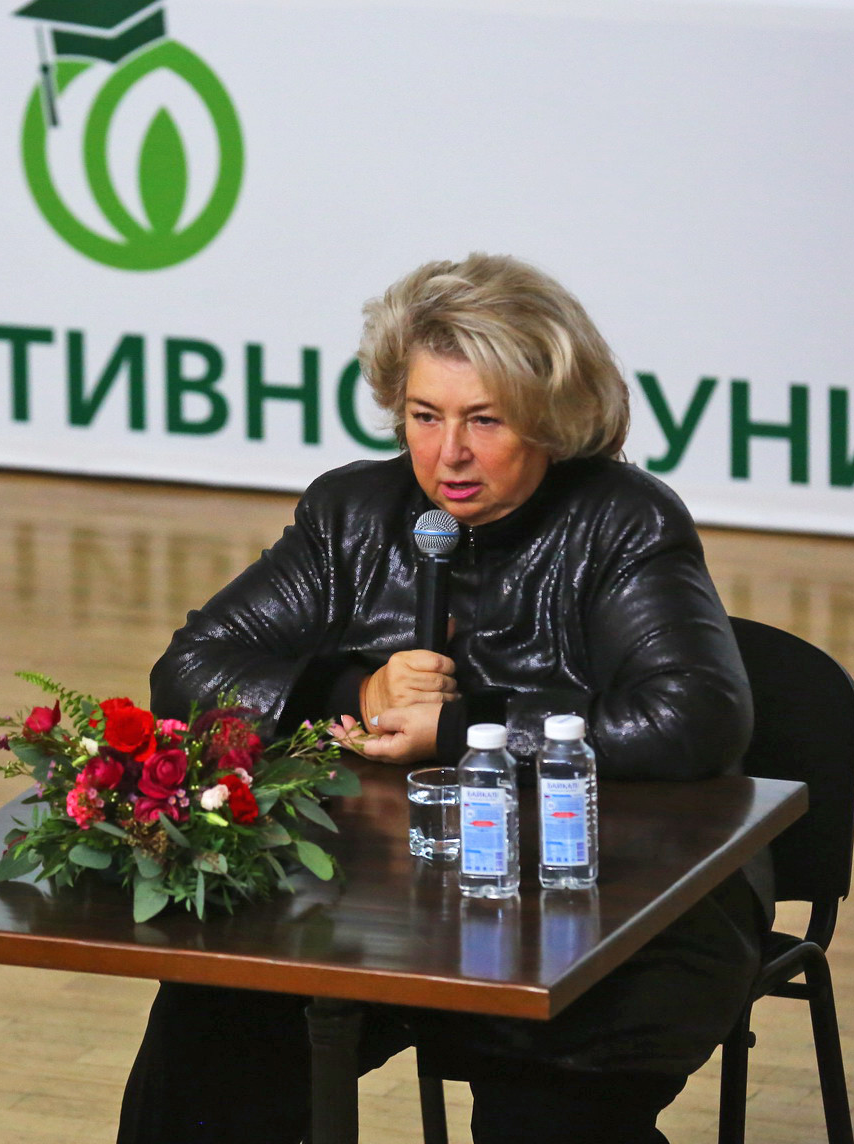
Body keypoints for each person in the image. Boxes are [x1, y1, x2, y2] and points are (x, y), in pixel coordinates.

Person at [118, 254, 762, 1144]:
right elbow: (190, 671)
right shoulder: (351, 515)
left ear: (550, 415)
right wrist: (355, 691)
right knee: (209, 1035)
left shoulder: (622, 520)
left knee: (541, 1115)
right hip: (382, 903)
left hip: (613, 907)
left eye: (484, 420)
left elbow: (696, 716)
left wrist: (464, 728)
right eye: (425, 416)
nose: (448, 453)